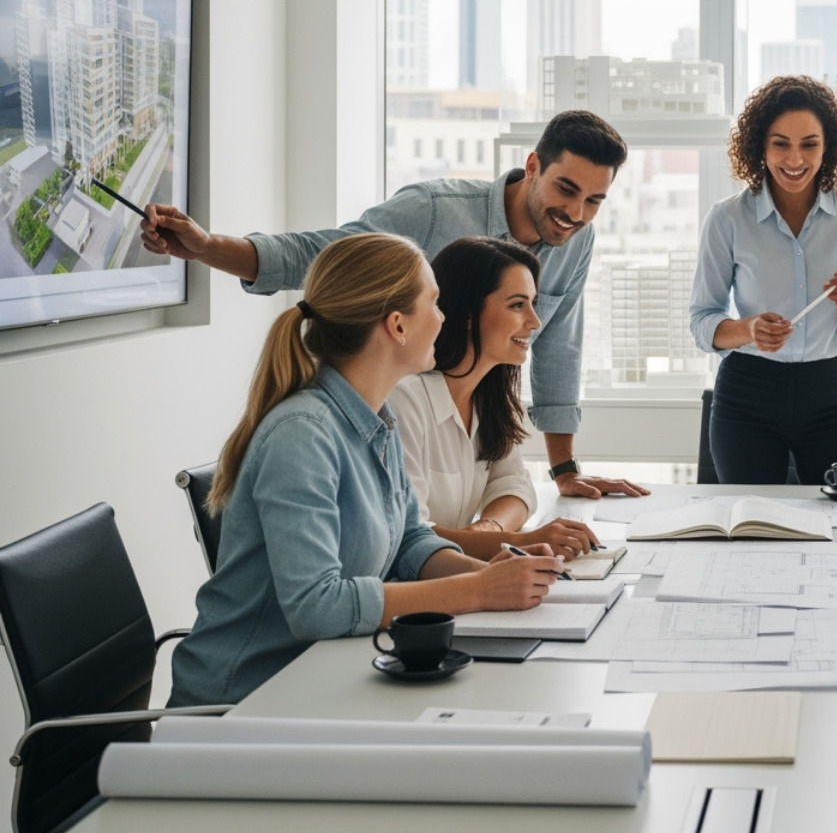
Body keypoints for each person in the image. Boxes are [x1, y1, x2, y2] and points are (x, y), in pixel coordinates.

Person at [139, 110, 647, 500]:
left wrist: (564, 470)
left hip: (458, 435)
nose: (575, 213)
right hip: (382, 424)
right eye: (566, 189)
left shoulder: (577, 241)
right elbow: (322, 255)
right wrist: (207, 247)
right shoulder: (434, 211)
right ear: (533, 166)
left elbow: (559, 349)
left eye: (594, 201)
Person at [168, 233, 566, 707]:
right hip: (243, 702)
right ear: (397, 325)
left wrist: (487, 573)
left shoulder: (376, 418)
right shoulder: (303, 435)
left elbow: (409, 541)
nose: (443, 318)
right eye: (434, 303)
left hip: (321, 679)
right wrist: (477, 590)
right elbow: (317, 607)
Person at [690, 75, 837, 484]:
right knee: (752, 517)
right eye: (781, 144)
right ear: (760, 146)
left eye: (809, 144)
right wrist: (749, 329)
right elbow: (702, 321)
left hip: (832, 392)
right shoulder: (727, 218)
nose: (795, 159)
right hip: (746, 396)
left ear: (828, 146)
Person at [389, 236, 599, 561]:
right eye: (517, 305)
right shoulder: (403, 400)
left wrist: (490, 528)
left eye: (533, 303)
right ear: (467, 312)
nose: (535, 321)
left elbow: (515, 486)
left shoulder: (489, 397)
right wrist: (516, 541)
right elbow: (407, 537)